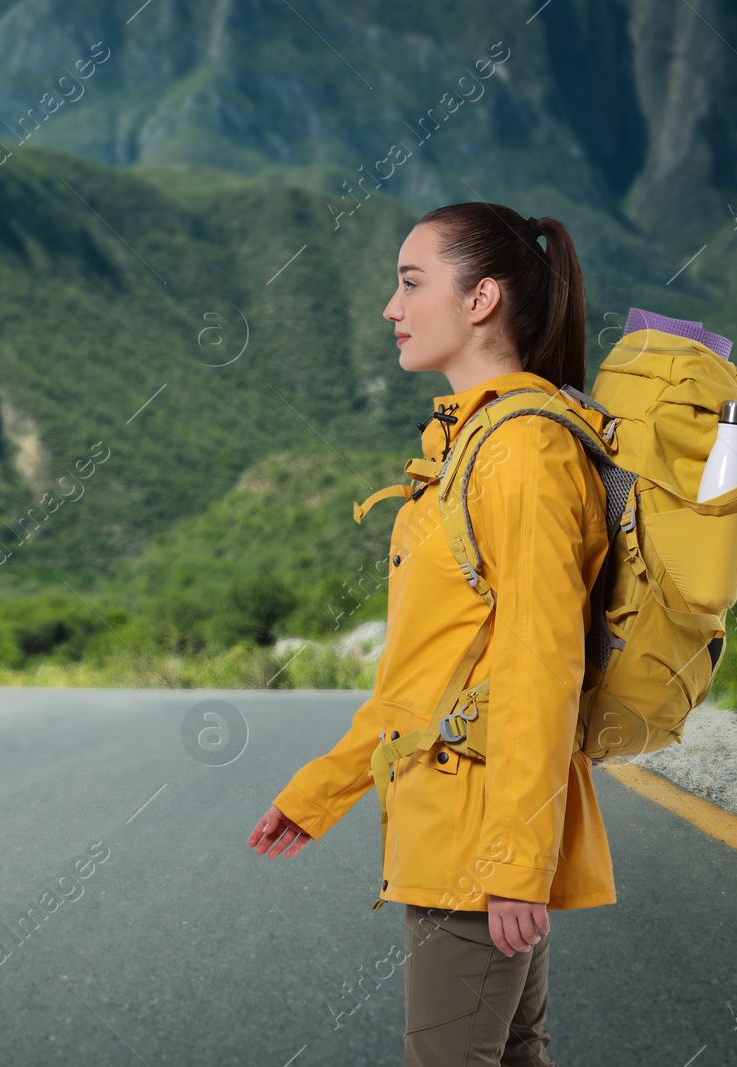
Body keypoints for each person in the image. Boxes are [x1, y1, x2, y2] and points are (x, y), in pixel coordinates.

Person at [247, 204, 617, 1066]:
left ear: (482, 297)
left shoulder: (522, 452)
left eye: (411, 282)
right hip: (456, 827)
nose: (391, 306)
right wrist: (321, 790)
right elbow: (422, 675)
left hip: (476, 839)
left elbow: (540, 664)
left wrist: (515, 861)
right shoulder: (471, 443)